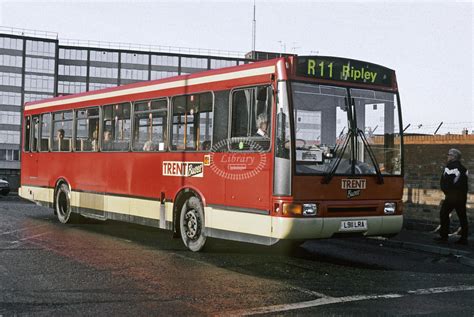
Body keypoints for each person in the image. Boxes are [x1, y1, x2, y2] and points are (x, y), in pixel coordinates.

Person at [435, 148, 469, 245]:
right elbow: (463, 185)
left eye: (449, 154)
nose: (447, 156)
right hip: (461, 197)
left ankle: (444, 236)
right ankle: (464, 238)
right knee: (462, 217)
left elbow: (444, 183)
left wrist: (447, 193)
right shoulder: (464, 169)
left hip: (451, 196)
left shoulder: (449, 167)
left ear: (454, 157)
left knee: (443, 214)